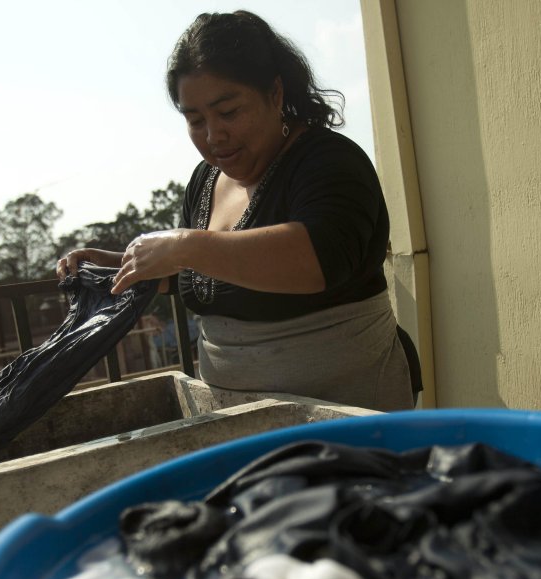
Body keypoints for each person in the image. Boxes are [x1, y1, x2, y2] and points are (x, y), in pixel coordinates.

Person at [56, 10, 415, 411]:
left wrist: (180, 246)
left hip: (347, 409)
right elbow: (205, 271)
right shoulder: (204, 181)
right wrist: (124, 266)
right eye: (195, 120)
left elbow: (320, 258)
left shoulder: (328, 161)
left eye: (228, 112)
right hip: (232, 415)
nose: (213, 135)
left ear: (275, 94)